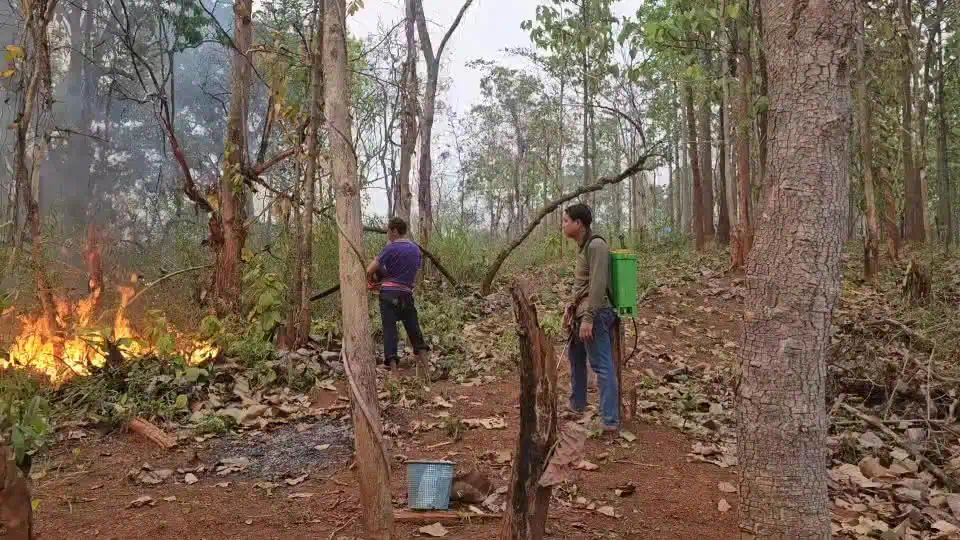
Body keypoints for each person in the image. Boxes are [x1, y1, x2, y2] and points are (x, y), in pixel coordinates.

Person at [561, 203, 620, 432]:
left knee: (601, 365)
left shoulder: (596, 245)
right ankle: (578, 404)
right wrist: (571, 307)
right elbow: (583, 285)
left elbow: (598, 285)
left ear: (579, 223)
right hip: (582, 311)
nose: (563, 225)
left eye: (566, 221)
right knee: (575, 355)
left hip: (597, 312)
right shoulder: (583, 246)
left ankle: (609, 421)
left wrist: (589, 318)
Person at [366, 217, 429, 374]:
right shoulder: (416, 249)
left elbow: (370, 270)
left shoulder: (390, 248)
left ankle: (395, 376)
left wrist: (371, 282)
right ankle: (427, 370)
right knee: (414, 330)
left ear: (394, 231)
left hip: (388, 295)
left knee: (390, 331)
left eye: (388, 231)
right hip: (406, 294)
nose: (388, 234)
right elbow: (410, 271)